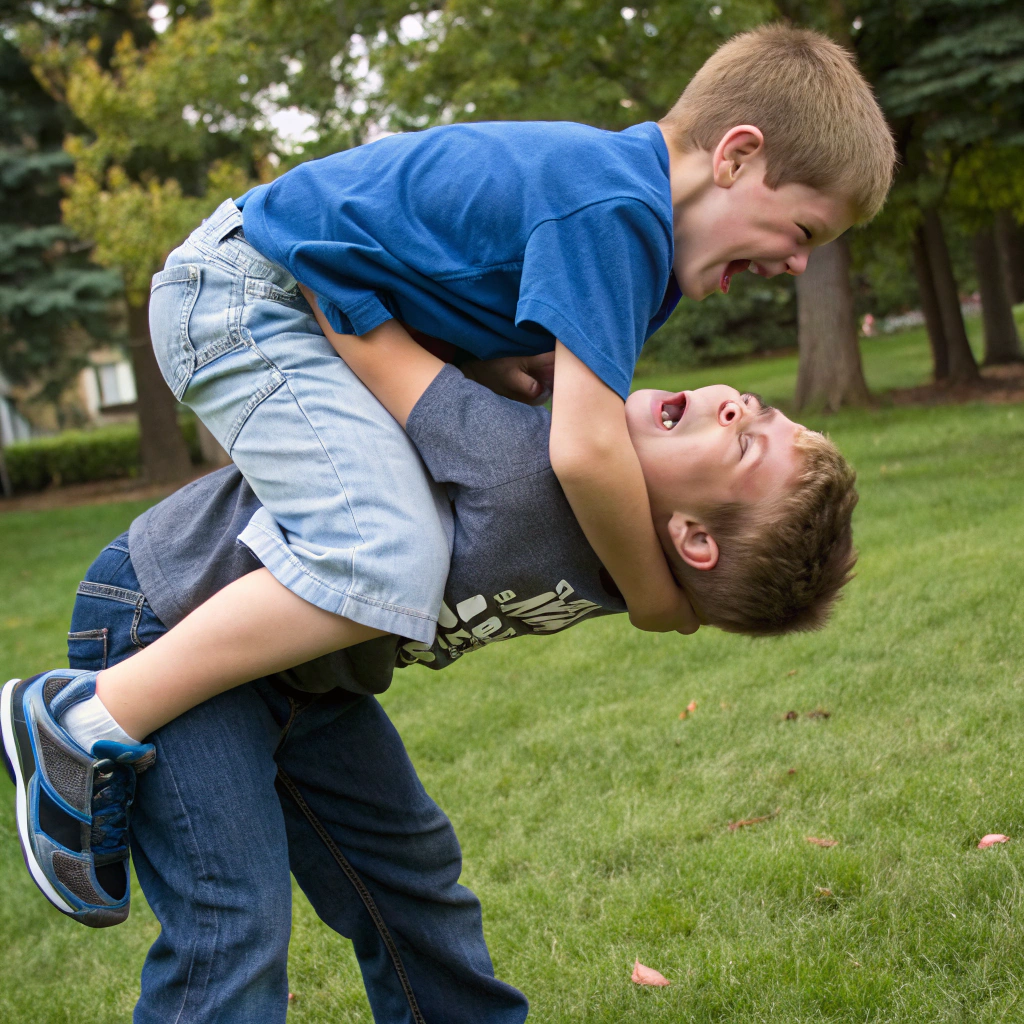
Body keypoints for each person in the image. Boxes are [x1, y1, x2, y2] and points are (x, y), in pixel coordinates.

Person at [3, 24, 890, 928]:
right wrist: (658, 599)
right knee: (384, 550)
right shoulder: (621, 210)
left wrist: (488, 365)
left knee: (384, 550)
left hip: (307, 298)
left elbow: (486, 329)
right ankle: (80, 723)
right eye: (803, 231)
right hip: (247, 292)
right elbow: (584, 451)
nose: (797, 263)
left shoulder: (631, 237)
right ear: (737, 157)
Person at [4, 317, 855, 1018]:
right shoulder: (522, 468)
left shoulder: (631, 577)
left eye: (748, 443)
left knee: (414, 885)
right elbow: (366, 338)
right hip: (175, 609)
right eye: (762, 410)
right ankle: (75, 726)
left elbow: (700, 594)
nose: (741, 405)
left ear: (694, 543)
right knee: (232, 923)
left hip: (313, 680)